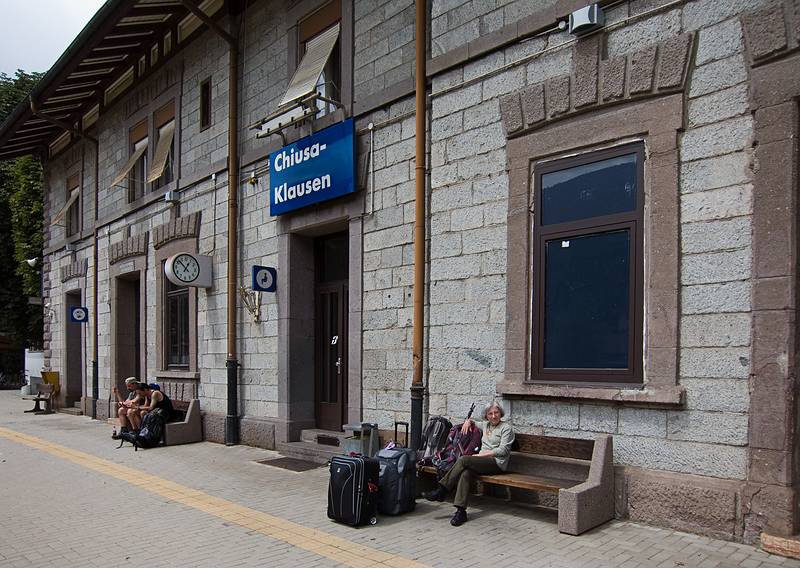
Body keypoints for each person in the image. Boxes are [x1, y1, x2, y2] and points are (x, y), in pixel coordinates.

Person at [422, 401, 515, 526]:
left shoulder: (506, 428)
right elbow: (475, 423)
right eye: (490, 413)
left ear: (501, 413)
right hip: (481, 462)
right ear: (486, 415)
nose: (494, 416)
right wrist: (468, 421)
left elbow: (503, 450)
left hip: (497, 463)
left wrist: (484, 454)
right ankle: (461, 512)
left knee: (464, 459)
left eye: (496, 413)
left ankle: (442, 490)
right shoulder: (486, 425)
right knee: (465, 473)